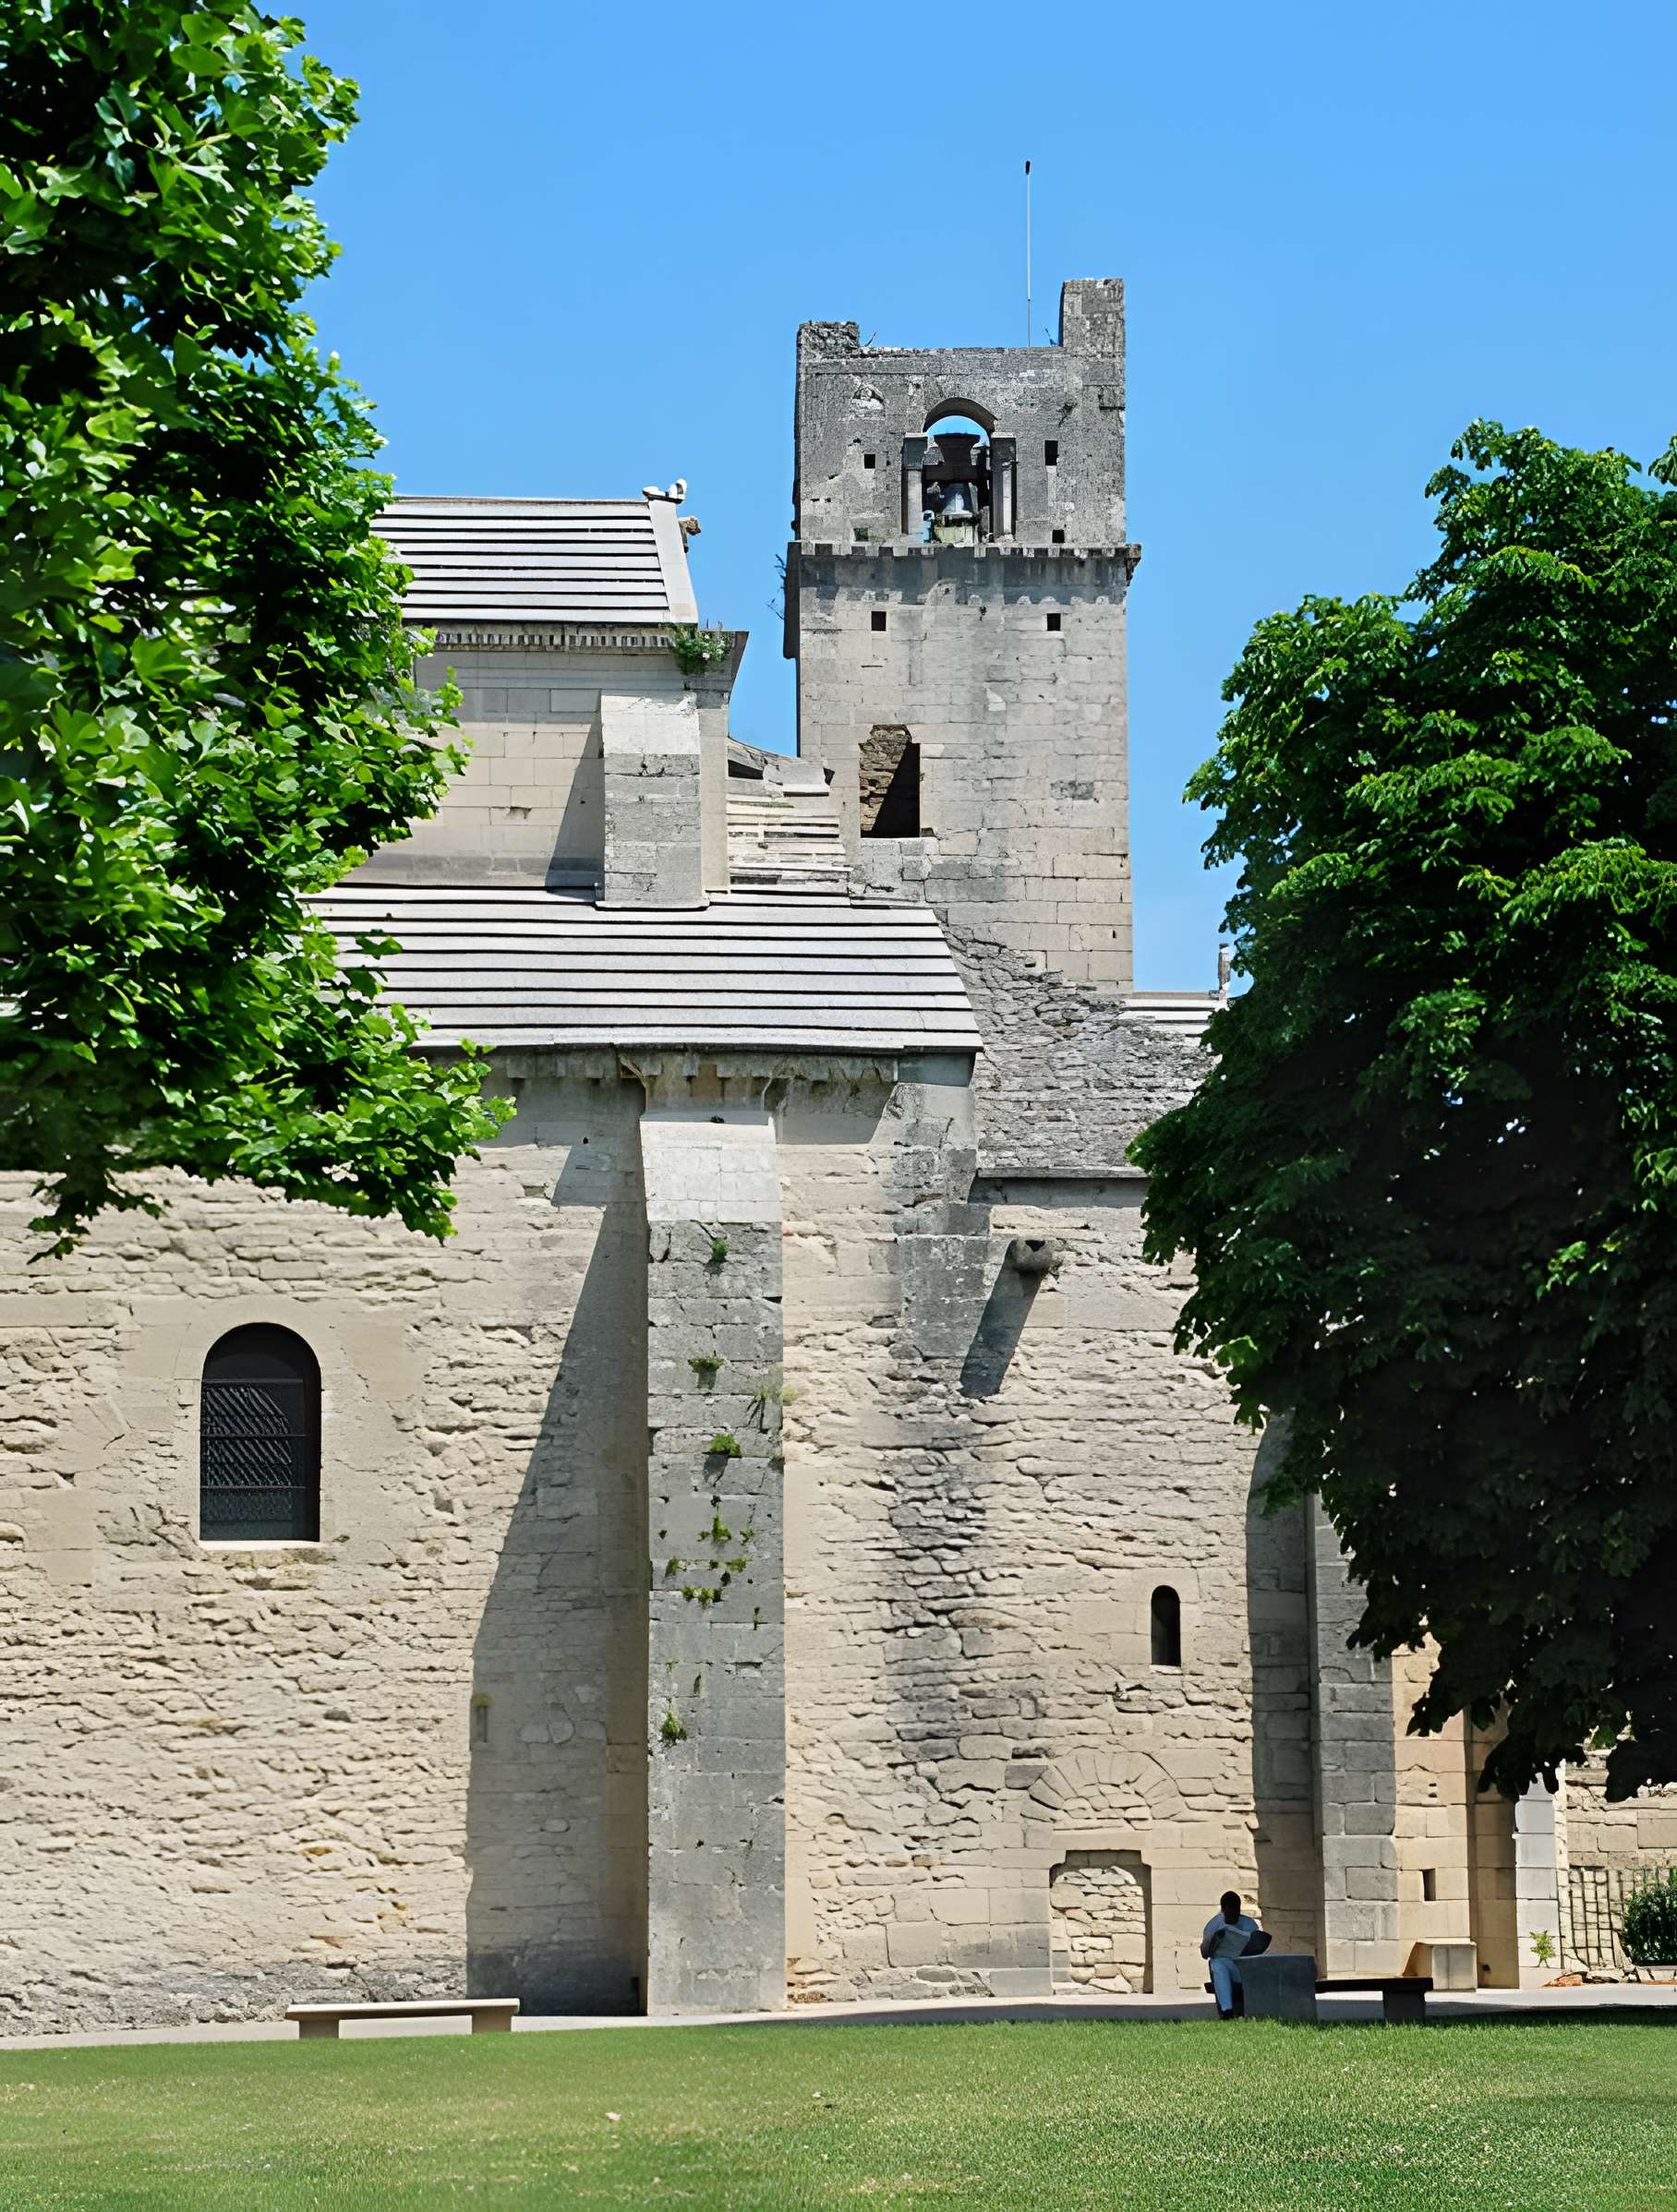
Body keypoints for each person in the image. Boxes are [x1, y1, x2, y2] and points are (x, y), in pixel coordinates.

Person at [1201, 1890, 1261, 2018]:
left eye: (1236, 1914)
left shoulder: (1249, 1924)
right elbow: (1205, 1954)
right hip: (1224, 1962)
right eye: (1230, 1915)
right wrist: (1215, 1941)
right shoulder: (1214, 1925)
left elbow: (1258, 1949)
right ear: (1223, 1910)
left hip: (1244, 1965)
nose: (1233, 1917)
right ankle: (1226, 2010)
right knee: (1217, 1964)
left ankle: (1250, 2009)